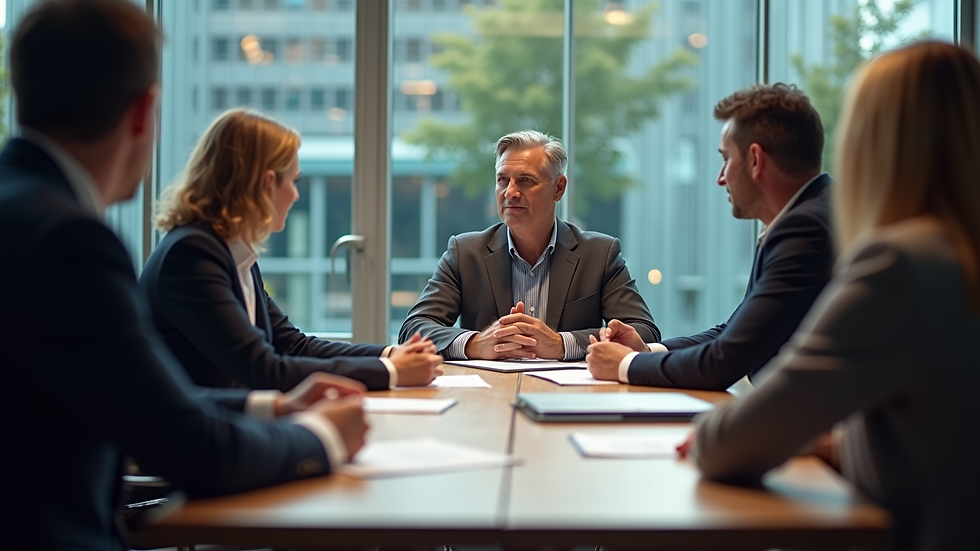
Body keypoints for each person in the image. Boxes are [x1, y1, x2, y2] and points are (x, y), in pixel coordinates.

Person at [0, 1, 368, 549]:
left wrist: (275, 405)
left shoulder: (21, 211)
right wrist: (320, 436)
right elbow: (194, 449)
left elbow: (144, 397)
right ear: (144, 111)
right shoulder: (72, 244)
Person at [685, 41, 980, 551]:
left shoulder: (897, 265)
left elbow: (724, 446)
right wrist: (835, 441)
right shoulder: (957, 255)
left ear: (877, 142)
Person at [140, 109, 443, 392]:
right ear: (267, 183)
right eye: (294, 181)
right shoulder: (193, 256)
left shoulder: (230, 252)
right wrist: (390, 371)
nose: (297, 194)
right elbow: (263, 369)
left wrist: (391, 353)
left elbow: (293, 345)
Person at [587, 84, 833, 390]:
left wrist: (623, 364)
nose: (720, 178)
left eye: (726, 159)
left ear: (755, 160)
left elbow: (723, 361)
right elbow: (732, 332)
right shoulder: (810, 215)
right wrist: (645, 351)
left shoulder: (805, 229)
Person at [399, 130, 659, 360]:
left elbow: (644, 333)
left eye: (526, 180)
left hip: (569, 399)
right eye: (502, 180)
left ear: (558, 188)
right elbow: (414, 329)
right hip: (487, 395)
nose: (510, 192)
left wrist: (562, 344)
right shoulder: (465, 253)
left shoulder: (600, 254)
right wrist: (475, 344)